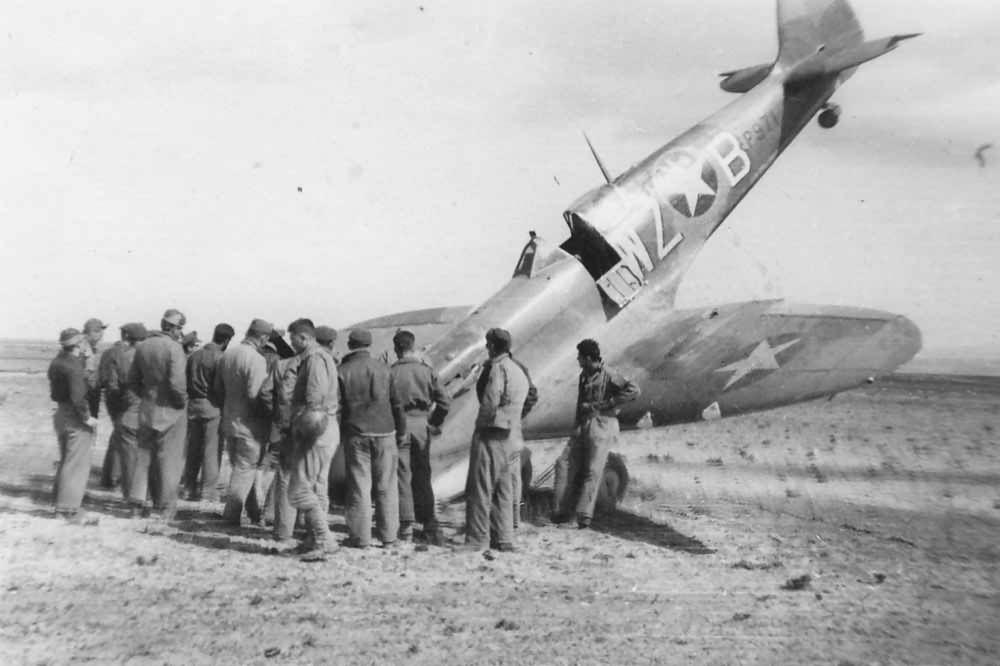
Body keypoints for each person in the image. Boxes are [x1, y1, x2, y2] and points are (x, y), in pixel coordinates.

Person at [552, 338, 639, 529]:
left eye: (580, 357)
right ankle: (560, 512)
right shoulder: (584, 374)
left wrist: (607, 404)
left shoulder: (609, 373)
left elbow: (633, 390)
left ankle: (581, 518)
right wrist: (576, 427)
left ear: (589, 357)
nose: (578, 360)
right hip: (584, 424)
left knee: (592, 471)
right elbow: (580, 404)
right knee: (564, 463)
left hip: (602, 424)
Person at [463, 328, 529, 552]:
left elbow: (490, 402)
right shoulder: (518, 370)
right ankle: (504, 538)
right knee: (504, 488)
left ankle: (477, 539)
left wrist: (479, 427)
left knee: (480, 487)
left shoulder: (497, 369)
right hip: (512, 435)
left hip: (492, 434)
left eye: (487, 344)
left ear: (492, 346)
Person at [339, 328, 404, 549]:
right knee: (387, 486)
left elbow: (338, 408)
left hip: (356, 433)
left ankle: (361, 538)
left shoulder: (342, 371)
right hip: (386, 432)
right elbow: (397, 405)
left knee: (359, 486)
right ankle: (389, 538)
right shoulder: (385, 369)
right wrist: (401, 431)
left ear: (350, 345)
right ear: (369, 345)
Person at [126, 309, 189, 520]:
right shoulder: (174, 348)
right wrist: (180, 403)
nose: (180, 332)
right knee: (169, 458)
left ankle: (136, 504)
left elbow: (132, 380)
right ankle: (165, 506)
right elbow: (177, 383)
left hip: (147, 407)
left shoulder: (142, 346)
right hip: (170, 409)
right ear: (175, 327)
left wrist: (146, 395)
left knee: (144, 457)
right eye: (180, 327)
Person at [211, 319, 274, 527]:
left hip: (230, 421)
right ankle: (231, 515)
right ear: (263, 337)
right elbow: (256, 394)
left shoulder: (228, 355)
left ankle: (255, 513)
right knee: (245, 469)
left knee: (241, 468)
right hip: (250, 425)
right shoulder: (256, 359)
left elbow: (217, 389)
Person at [286, 319, 340, 561]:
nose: (291, 342)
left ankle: (323, 539)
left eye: (293, 338)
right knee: (318, 487)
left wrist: (300, 423)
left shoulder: (314, 359)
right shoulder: (323, 357)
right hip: (326, 429)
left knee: (298, 489)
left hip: (315, 428)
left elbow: (314, 397)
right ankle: (312, 539)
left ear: (304, 338)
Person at [390, 329, 450, 544]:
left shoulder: (391, 373)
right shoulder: (427, 371)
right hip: (422, 425)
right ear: (413, 347)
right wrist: (433, 423)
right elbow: (445, 402)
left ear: (397, 348)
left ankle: (405, 526)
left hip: (399, 427)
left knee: (402, 475)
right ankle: (429, 523)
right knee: (423, 475)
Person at [476, 348, 538, 530]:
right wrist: (518, 414)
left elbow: (486, 398)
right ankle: (513, 520)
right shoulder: (519, 368)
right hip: (512, 426)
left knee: (497, 473)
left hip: (497, 428)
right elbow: (532, 394)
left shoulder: (494, 368)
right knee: (512, 473)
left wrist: (509, 414)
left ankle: (501, 521)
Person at [48, 328, 100, 523]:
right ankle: (69, 510)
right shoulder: (74, 366)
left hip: (61, 413)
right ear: (79, 344)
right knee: (77, 463)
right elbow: (78, 397)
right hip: (74, 416)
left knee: (66, 460)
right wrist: (87, 418)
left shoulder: (57, 362)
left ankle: (60, 505)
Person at [183, 323, 234, 502]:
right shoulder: (221, 358)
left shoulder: (194, 355)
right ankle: (208, 491)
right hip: (212, 406)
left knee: (193, 449)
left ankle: (188, 488)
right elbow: (220, 388)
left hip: (193, 405)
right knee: (212, 451)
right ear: (227, 340)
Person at [100, 323, 147, 496]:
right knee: (124, 441)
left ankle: (110, 477)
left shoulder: (111, 352)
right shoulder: (131, 355)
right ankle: (116, 479)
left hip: (118, 399)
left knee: (118, 437)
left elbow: (108, 381)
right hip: (127, 402)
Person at [98, 325, 129, 488]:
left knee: (117, 434)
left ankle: (110, 476)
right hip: (121, 397)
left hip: (110, 397)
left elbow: (101, 377)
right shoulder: (126, 353)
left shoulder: (107, 352)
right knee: (121, 435)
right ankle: (114, 476)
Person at [81, 317, 108, 419]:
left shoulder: (93, 348)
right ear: (92, 332)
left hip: (92, 393)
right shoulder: (82, 347)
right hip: (84, 394)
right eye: (99, 331)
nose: (102, 334)